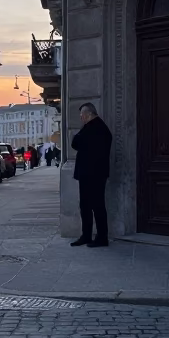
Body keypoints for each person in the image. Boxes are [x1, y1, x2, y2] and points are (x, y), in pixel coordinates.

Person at [70, 102, 112, 248]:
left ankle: (101, 237)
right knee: (86, 206)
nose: (81, 118)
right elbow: (77, 143)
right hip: (88, 174)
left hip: (94, 174)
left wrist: (80, 135)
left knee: (97, 206)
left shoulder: (97, 128)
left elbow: (76, 143)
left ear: (88, 115)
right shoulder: (90, 127)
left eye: (82, 115)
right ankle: (86, 235)